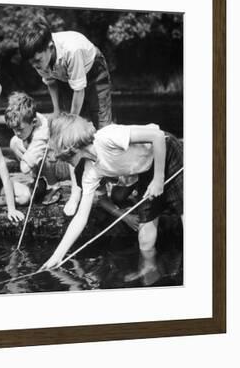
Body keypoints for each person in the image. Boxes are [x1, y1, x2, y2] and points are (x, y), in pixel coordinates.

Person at [39, 113, 183, 271]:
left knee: (184, 211)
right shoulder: (90, 171)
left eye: (65, 157)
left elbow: (158, 136)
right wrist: (57, 255)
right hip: (147, 169)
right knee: (145, 241)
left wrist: (158, 179)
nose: (64, 161)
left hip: (166, 150)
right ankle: (149, 272)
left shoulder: (107, 137)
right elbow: (81, 217)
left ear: (72, 147)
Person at [19, 17, 115, 216]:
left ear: (50, 47)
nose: (35, 65)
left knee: (102, 130)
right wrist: (56, 113)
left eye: (37, 60)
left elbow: (79, 92)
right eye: (31, 62)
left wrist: (69, 123)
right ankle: (76, 190)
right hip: (65, 79)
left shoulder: (72, 50)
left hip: (94, 74)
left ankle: (103, 192)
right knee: (65, 138)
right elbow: (51, 83)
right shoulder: (38, 59)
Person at [4, 91, 60, 202]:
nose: (17, 133)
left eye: (20, 129)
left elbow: (24, 168)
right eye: (14, 129)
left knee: (43, 157)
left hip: (58, 162)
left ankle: (54, 187)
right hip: (37, 151)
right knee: (14, 142)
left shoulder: (42, 132)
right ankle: (38, 179)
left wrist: (26, 163)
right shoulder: (28, 117)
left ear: (34, 122)